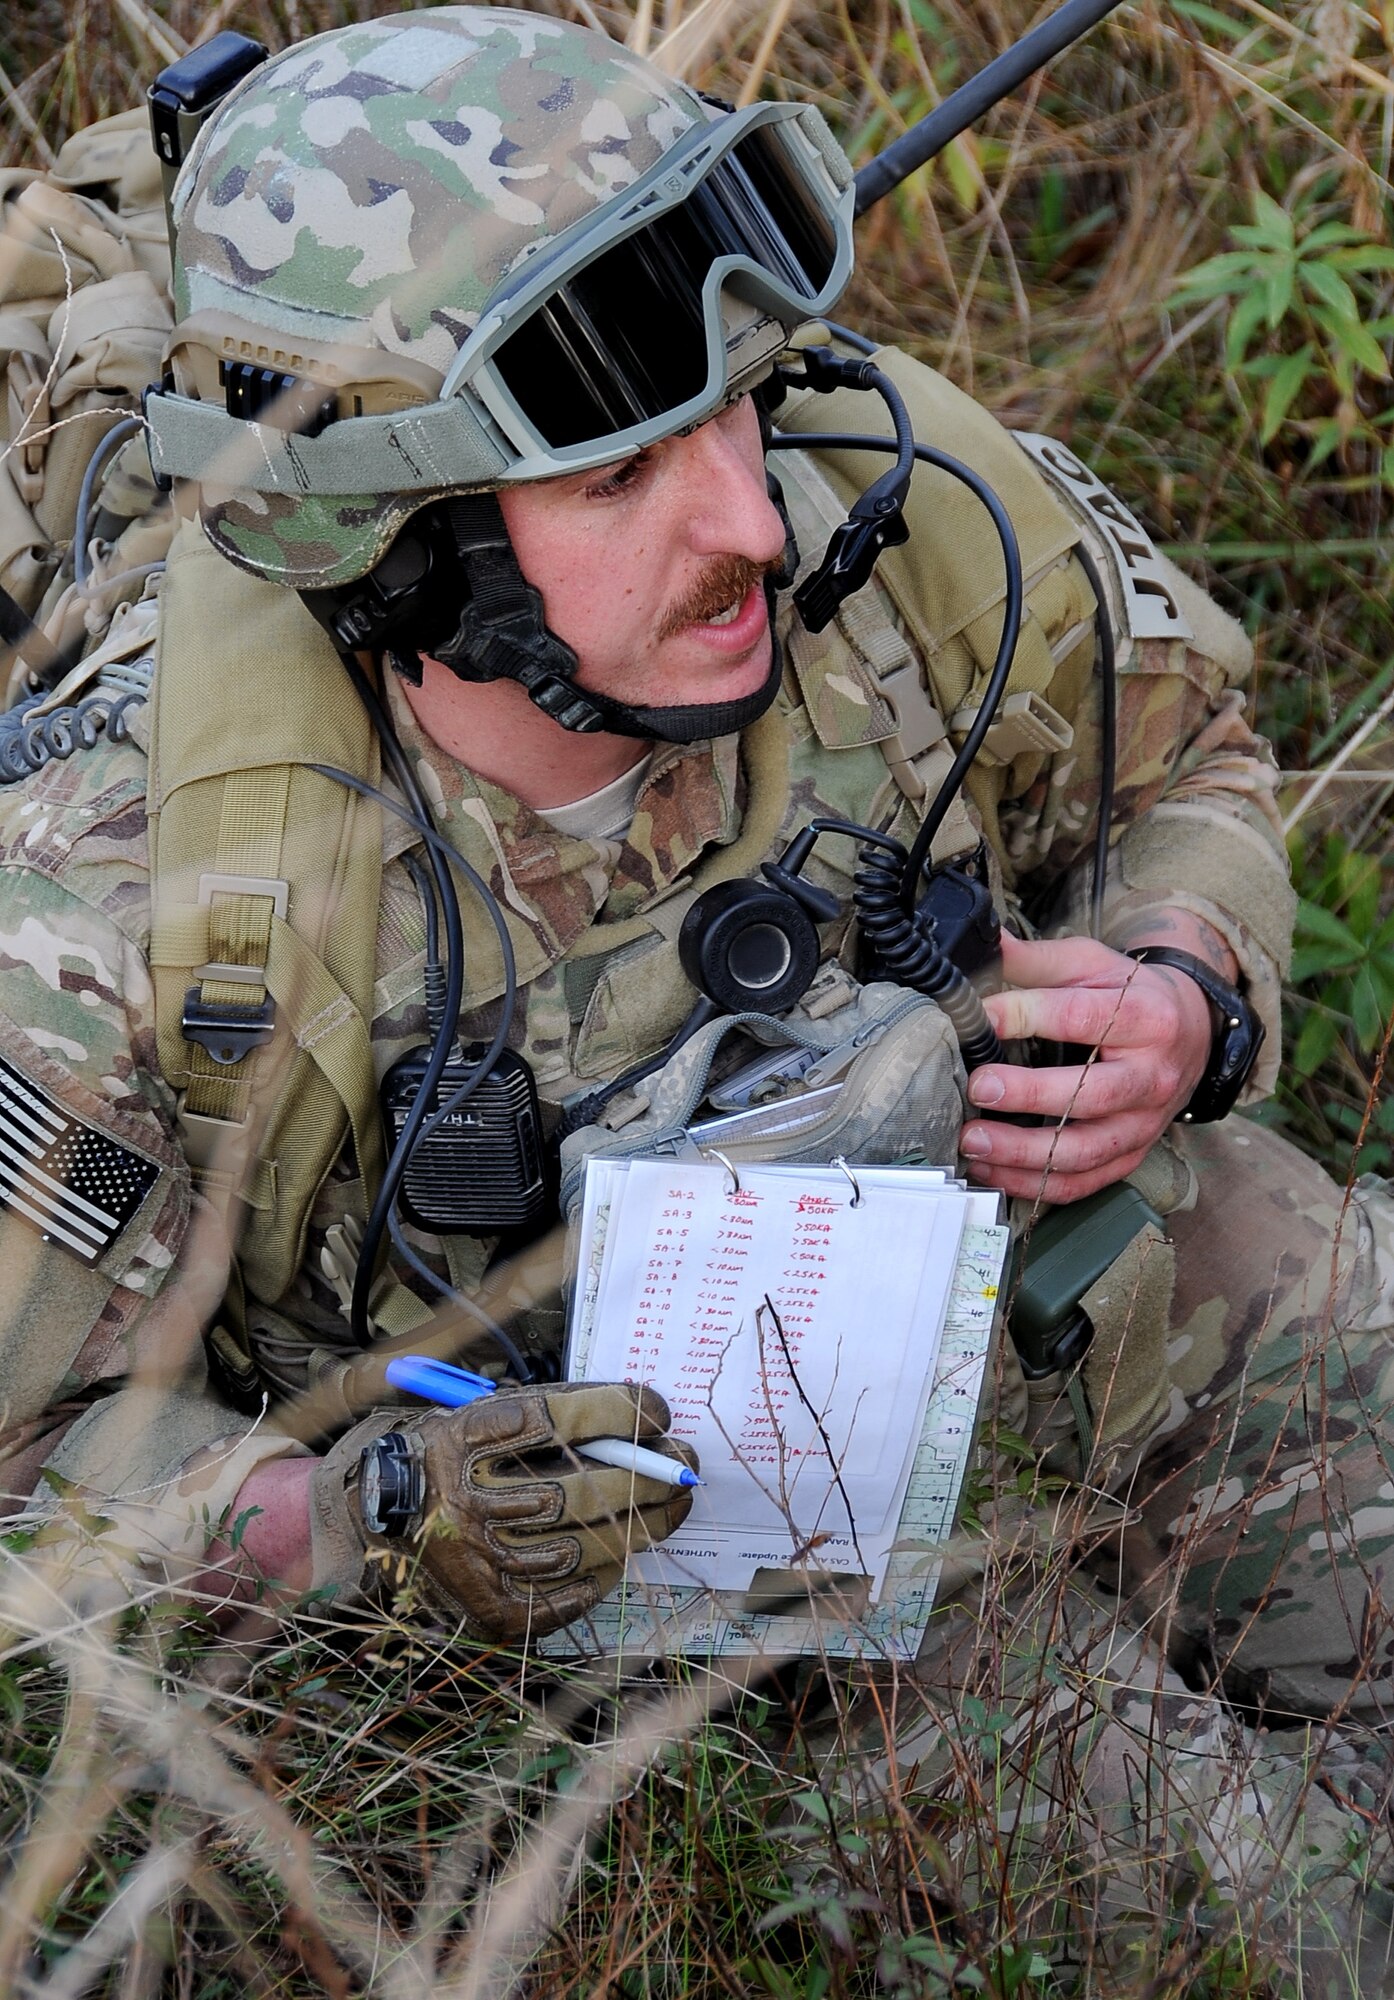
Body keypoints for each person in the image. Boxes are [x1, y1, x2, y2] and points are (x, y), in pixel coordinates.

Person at [3, 4, 1393, 1974]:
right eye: (617, 477)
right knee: (1299, 1927)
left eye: (736, 410)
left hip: (1091, 1270)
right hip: (705, 1570)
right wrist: (360, 1520)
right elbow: (33, 1464)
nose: (746, 516)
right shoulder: (128, 894)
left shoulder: (899, 520)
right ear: (394, 540)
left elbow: (1189, 763)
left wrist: (1183, 977)